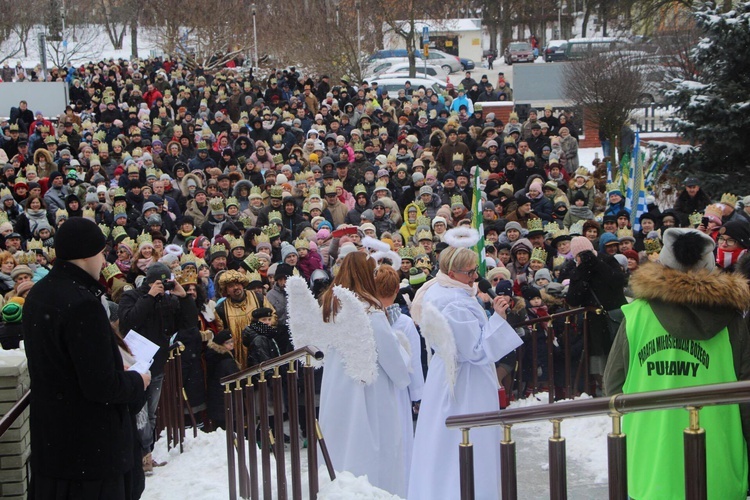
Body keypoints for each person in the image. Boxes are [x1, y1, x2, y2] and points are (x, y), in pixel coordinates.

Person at [604, 228, 750, 499]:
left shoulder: (636, 316)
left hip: (651, 468)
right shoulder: (732, 321)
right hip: (718, 468)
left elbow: (613, 386)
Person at [23, 217, 150, 500]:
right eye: (101, 253)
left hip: (53, 446)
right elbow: (101, 385)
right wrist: (137, 380)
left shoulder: (40, 293)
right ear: (85, 254)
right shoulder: (82, 304)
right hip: (90, 454)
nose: (104, 261)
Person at [408, 231, 523, 500]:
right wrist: (498, 318)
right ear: (453, 271)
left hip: (450, 374)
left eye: (476, 271)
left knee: (446, 443)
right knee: (467, 439)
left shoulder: (442, 288)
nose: (475, 277)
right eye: (470, 272)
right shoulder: (454, 303)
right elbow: (474, 350)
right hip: (465, 381)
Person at [317, 252, 411, 497]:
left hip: (336, 388)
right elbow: (394, 361)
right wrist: (404, 351)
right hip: (369, 389)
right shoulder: (370, 310)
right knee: (370, 447)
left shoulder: (330, 306)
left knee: (340, 444)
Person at [118, 261, 195, 473]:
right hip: (135, 366)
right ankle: (138, 456)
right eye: (158, 282)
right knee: (137, 412)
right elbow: (128, 322)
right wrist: (149, 297)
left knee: (150, 414)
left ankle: (146, 455)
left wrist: (183, 297)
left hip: (157, 365)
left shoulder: (168, 300)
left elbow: (188, 324)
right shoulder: (131, 297)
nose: (162, 286)